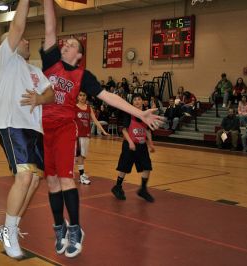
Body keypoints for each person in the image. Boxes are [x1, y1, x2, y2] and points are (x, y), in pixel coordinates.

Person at [41, 0, 163, 258]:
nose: (66, 44)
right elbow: (50, 26)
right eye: (66, 42)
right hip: (44, 129)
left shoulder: (83, 76)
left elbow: (110, 98)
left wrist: (139, 112)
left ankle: (75, 228)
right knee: (50, 182)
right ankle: (58, 226)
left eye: (72, 44)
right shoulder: (51, 60)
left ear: (79, 55)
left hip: (64, 127)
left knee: (64, 179)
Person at [0, 0, 54, 259]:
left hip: (34, 129)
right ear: (12, 43)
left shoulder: (36, 70)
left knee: (35, 179)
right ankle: (9, 232)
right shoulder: (6, 58)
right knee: (25, 176)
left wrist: (40, 99)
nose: (27, 41)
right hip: (11, 124)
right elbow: (18, 24)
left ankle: (8, 228)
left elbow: (50, 94)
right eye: (23, 39)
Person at [111, 94, 156, 203]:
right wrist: (130, 142)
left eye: (139, 99)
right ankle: (117, 187)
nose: (137, 101)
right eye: (134, 100)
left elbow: (147, 130)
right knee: (124, 168)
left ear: (143, 101)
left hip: (141, 145)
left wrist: (150, 143)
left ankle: (143, 189)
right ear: (132, 102)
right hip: (129, 145)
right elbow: (124, 130)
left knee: (147, 167)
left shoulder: (145, 115)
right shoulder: (129, 113)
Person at [75, 91, 109, 185]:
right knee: (80, 156)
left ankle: (66, 170)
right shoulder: (74, 108)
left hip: (86, 135)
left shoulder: (89, 108)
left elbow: (95, 121)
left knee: (82, 156)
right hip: (77, 136)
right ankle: (82, 176)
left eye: (84, 95)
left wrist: (103, 131)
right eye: (80, 95)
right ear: (77, 97)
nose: (82, 97)